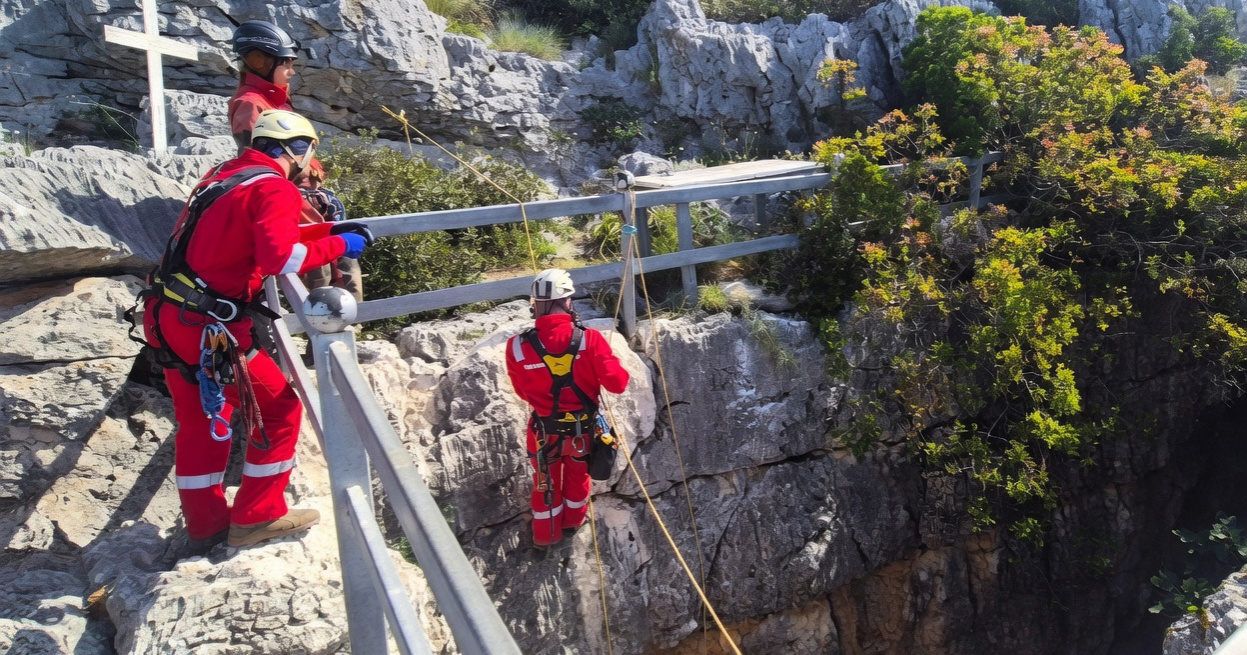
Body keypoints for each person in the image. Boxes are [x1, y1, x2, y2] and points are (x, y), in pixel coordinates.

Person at [141, 110, 374, 553]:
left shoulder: (222, 175)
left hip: (168, 314)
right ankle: (258, 515)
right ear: (297, 149)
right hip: (212, 325)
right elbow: (278, 258)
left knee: (200, 422)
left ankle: (205, 525)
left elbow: (247, 233)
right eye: (307, 152)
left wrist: (326, 229)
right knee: (280, 409)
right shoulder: (276, 186)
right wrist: (340, 244)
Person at [505, 269, 629, 547]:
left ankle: (544, 537)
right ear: (568, 301)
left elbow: (522, 392)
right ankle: (573, 523)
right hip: (581, 432)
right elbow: (618, 384)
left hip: (543, 432)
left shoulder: (516, 347)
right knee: (577, 478)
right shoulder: (591, 339)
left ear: (534, 303)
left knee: (544, 484)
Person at [297, 159, 363, 302]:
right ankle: (354, 312)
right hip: (321, 227)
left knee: (332, 268)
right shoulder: (310, 162)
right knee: (343, 267)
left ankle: (319, 310)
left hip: (315, 231)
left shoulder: (295, 162)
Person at [228, 20, 300, 153]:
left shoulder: (275, 98)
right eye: (286, 64)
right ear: (259, 61)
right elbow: (252, 158)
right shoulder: (250, 104)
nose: (292, 72)